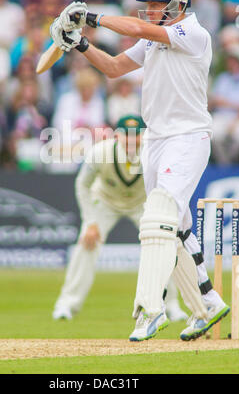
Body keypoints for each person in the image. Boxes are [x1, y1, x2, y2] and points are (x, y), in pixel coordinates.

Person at [49, 0, 230, 341]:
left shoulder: (194, 35)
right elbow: (115, 67)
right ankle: (207, 303)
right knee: (176, 228)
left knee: (158, 214)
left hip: (188, 136)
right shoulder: (152, 40)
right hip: (156, 139)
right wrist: (80, 43)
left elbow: (134, 26)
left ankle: (150, 308)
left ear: (177, 6)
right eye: (146, 4)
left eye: (155, 4)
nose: (148, 10)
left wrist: (91, 17)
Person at [53, 115, 189, 323]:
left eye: (136, 136)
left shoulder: (153, 155)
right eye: (126, 135)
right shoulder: (101, 152)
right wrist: (90, 222)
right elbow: (82, 185)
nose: (131, 141)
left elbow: (167, 185)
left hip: (142, 203)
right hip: (105, 201)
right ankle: (66, 304)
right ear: (117, 136)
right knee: (87, 243)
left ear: (144, 136)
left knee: (162, 244)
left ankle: (171, 305)